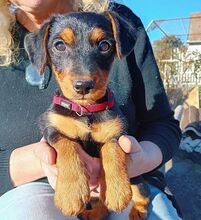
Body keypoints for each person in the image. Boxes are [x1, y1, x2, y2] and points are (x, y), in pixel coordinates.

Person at [0, 0, 182, 219]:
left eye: (104, 45)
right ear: (43, 51)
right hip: (34, 191)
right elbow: (54, 134)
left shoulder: (117, 20)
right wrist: (51, 160)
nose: (83, 77)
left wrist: (137, 162)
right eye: (60, 46)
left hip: (128, 182)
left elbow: (162, 123)